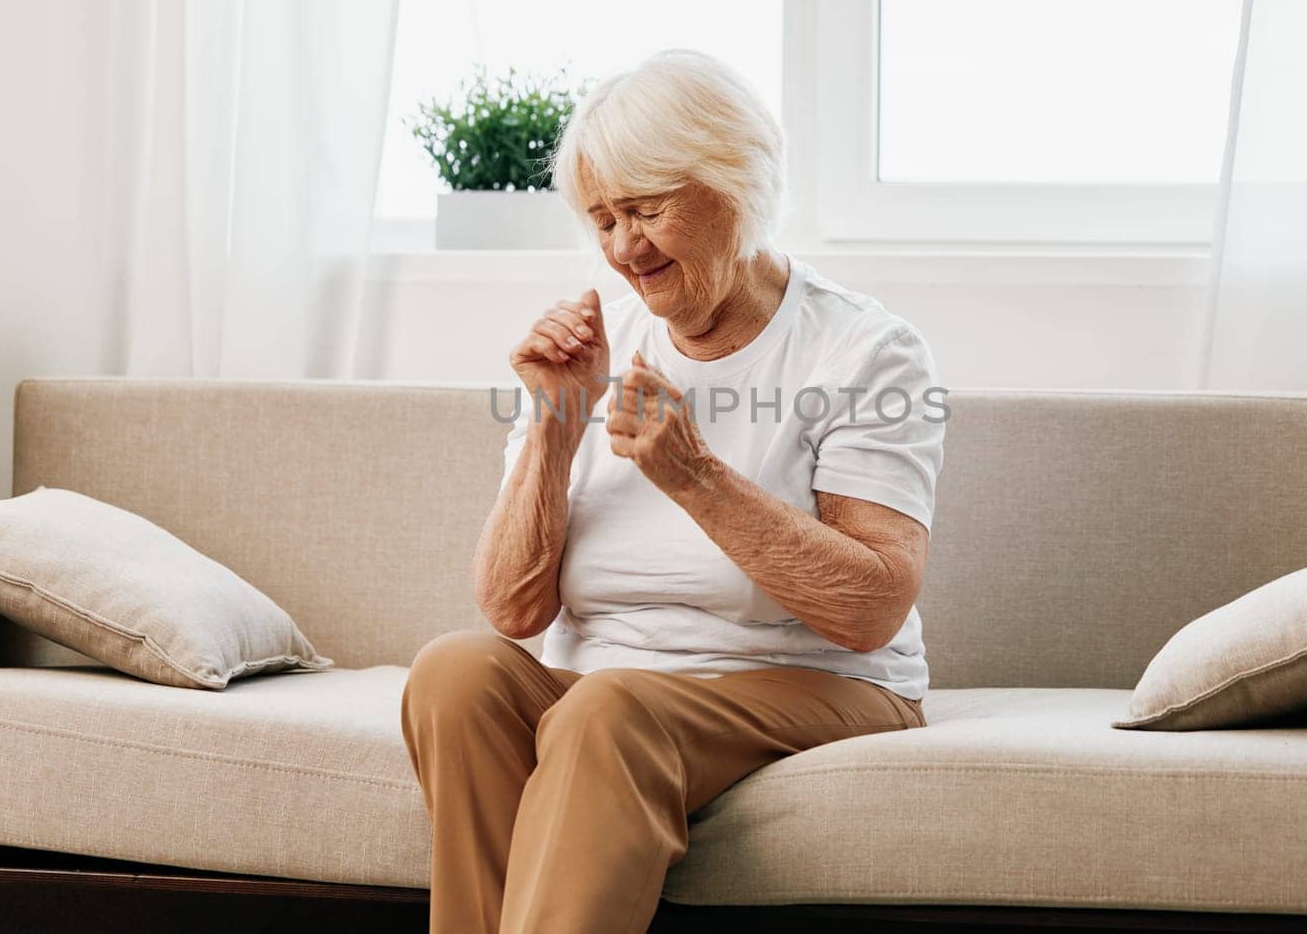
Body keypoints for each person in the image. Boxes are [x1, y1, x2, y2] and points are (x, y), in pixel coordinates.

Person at [400, 48, 946, 934]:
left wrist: (695, 476)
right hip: (613, 692)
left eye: (648, 210)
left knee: (607, 707)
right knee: (455, 674)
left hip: (811, 680)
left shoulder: (863, 351)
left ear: (734, 182)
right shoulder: (596, 339)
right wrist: (553, 422)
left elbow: (872, 607)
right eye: (605, 219)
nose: (624, 248)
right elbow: (510, 608)